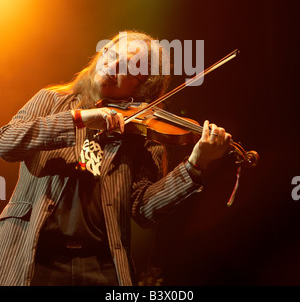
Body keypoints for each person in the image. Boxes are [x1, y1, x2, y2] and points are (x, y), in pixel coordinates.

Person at [0, 30, 231, 286]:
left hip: (100, 266)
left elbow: (144, 210)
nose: (115, 64)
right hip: (33, 253)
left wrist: (194, 164)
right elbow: (5, 142)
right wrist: (78, 119)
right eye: (112, 54)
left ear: (143, 88)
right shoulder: (52, 100)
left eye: (131, 66)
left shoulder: (142, 137)